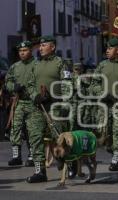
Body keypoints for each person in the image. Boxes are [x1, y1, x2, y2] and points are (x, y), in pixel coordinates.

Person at [27, 35, 70, 183]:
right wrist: (35, 96)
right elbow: (30, 84)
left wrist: (61, 101)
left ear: (52, 47)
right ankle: (40, 171)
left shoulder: (61, 63)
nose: (40, 48)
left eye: (44, 45)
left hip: (55, 108)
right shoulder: (35, 64)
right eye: (40, 45)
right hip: (38, 107)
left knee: (59, 139)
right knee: (35, 138)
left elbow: (66, 84)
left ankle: (66, 165)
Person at [89, 37, 118, 171]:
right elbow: (94, 84)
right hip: (104, 105)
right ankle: (114, 149)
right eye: (107, 48)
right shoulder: (102, 65)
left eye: (110, 48)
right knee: (103, 134)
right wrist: (102, 93)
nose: (107, 51)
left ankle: (116, 157)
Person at [5, 41, 43, 168]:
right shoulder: (15, 66)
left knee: (32, 130)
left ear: (30, 50)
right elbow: (8, 81)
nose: (22, 53)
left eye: (25, 50)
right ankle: (16, 156)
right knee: (15, 128)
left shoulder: (38, 64)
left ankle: (32, 156)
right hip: (19, 102)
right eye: (20, 51)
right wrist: (13, 87)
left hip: (33, 102)